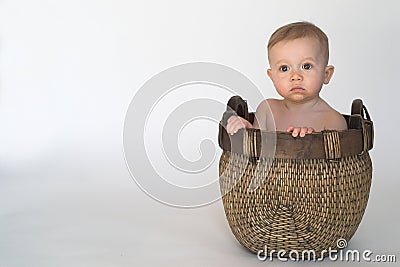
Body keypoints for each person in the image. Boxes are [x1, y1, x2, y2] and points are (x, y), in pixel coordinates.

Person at [226, 21, 348, 137]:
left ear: (326, 74)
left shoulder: (333, 120)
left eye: (306, 66)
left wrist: (310, 142)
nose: (295, 76)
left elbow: (336, 155)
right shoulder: (268, 110)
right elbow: (256, 150)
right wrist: (247, 128)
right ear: (272, 76)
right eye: (284, 68)